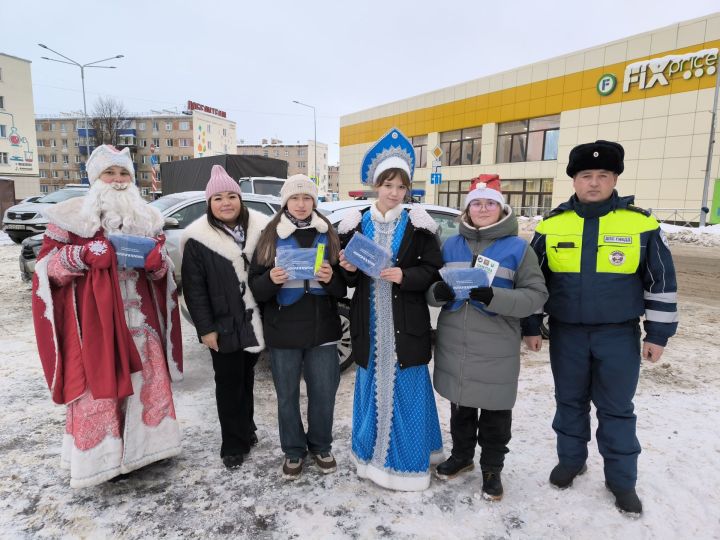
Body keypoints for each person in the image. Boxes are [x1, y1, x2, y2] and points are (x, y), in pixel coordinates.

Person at [524, 140, 678, 516]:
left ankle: (622, 480)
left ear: (615, 179)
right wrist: (530, 325)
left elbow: (660, 282)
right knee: (569, 402)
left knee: (616, 409)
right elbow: (533, 281)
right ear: (574, 181)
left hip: (618, 336)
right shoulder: (551, 225)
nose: (594, 183)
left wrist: (657, 335)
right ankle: (571, 460)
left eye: (603, 176)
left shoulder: (641, 224)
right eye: (586, 176)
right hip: (567, 335)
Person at [31, 145, 183, 488]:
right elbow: (45, 271)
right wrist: (78, 255)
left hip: (142, 328)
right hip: (95, 329)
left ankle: (146, 453)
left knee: (147, 388)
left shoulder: (147, 220)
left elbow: (163, 275)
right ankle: (101, 462)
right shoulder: (70, 219)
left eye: (123, 173)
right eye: (109, 173)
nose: (117, 181)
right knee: (98, 393)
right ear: (95, 178)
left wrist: (158, 265)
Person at [427, 179, 548, 500]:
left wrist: (495, 297)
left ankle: (492, 469)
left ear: (501, 208)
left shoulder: (518, 248)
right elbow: (432, 288)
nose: (483, 209)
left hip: (497, 347)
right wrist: (436, 293)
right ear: (467, 208)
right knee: (460, 407)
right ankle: (462, 456)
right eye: (477, 204)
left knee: (495, 413)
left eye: (490, 203)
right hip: (455, 344)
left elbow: (536, 297)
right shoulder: (451, 245)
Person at [337, 128, 444, 491]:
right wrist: (347, 269)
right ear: (376, 186)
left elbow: (433, 269)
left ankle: (408, 467)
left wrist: (406, 275)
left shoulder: (419, 225)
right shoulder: (355, 223)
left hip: (406, 325)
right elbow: (346, 277)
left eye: (401, 186)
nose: (394, 192)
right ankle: (370, 461)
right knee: (371, 389)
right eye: (388, 185)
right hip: (370, 324)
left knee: (410, 389)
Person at [249, 174, 346, 480]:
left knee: (324, 393)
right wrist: (270, 280)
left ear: (314, 202)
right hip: (284, 330)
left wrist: (331, 279)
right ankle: (293, 450)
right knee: (287, 396)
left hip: (323, 330)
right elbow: (256, 287)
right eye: (295, 198)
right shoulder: (270, 235)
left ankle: (320, 445)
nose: (301, 205)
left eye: (307, 198)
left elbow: (343, 288)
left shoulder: (328, 233)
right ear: (285, 202)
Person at [181, 165, 267, 469]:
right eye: (218, 198)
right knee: (228, 383)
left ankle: (247, 427)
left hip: (254, 321)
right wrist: (205, 329)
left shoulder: (259, 231)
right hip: (223, 323)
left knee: (246, 378)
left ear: (241, 199)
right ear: (209, 204)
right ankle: (232, 444)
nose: (226, 202)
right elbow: (194, 290)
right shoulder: (197, 240)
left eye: (231, 196)